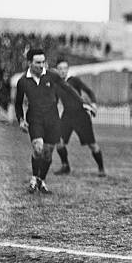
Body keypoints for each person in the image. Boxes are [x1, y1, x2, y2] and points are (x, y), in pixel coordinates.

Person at [15, 49, 84, 193]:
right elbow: (18, 103)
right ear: (29, 63)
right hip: (35, 118)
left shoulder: (52, 75)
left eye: (43, 62)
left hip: (52, 119)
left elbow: (67, 88)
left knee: (47, 154)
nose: (41, 65)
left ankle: (42, 181)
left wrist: (82, 103)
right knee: (38, 148)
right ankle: (34, 178)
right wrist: (21, 119)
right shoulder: (22, 81)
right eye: (38, 62)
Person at [52, 58, 105, 177]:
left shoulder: (74, 81)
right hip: (67, 116)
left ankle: (101, 168)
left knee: (92, 144)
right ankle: (65, 166)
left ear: (68, 69)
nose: (63, 71)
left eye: (65, 68)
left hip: (81, 116)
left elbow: (89, 92)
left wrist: (94, 105)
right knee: (59, 141)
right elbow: (54, 102)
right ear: (56, 70)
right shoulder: (56, 85)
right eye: (60, 69)